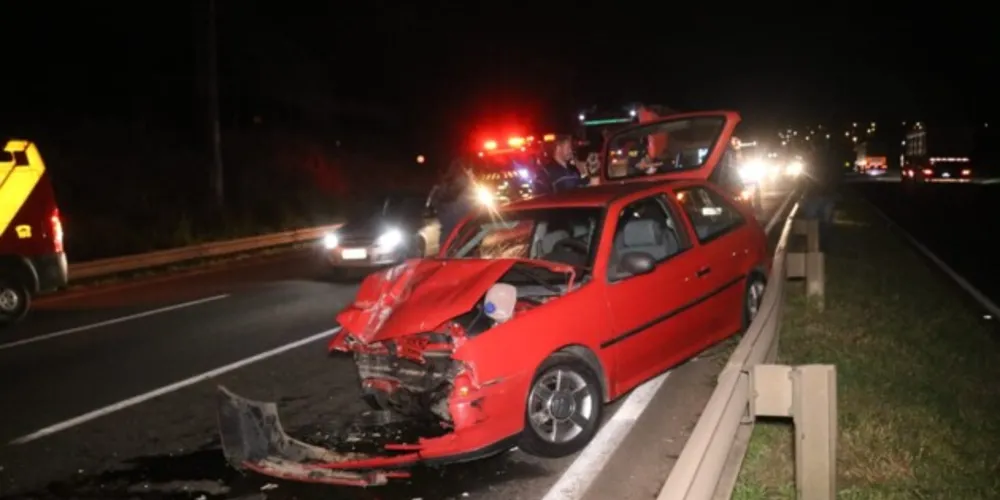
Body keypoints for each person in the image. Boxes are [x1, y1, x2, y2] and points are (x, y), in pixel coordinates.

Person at [432, 158, 476, 250]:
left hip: (446, 240)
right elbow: (474, 215)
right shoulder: (468, 190)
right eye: (471, 171)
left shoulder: (440, 189)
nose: (473, 174)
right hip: (465, 240)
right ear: (467, 171)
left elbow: (436, 208)